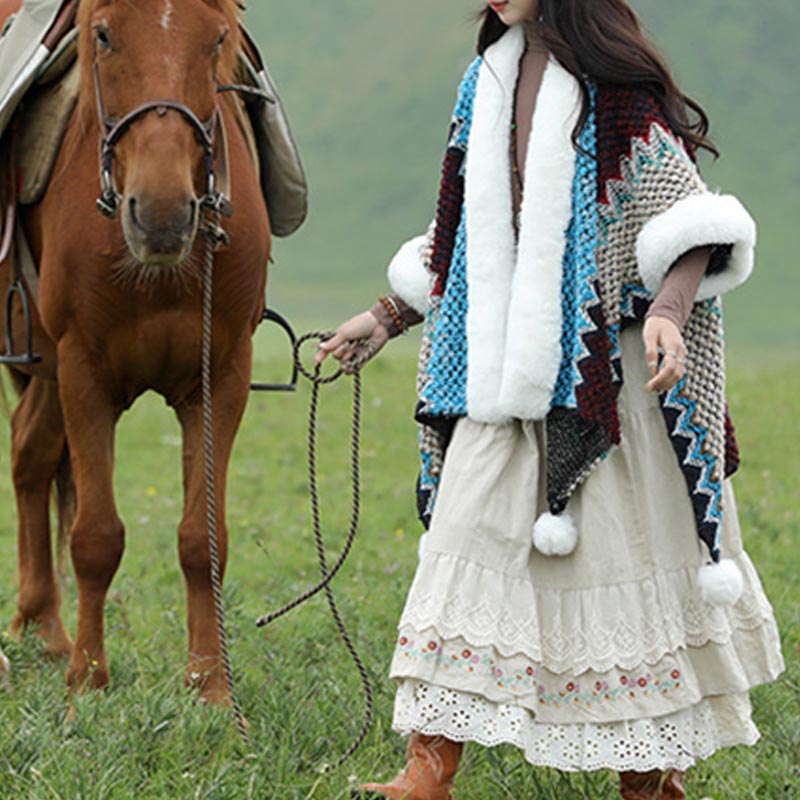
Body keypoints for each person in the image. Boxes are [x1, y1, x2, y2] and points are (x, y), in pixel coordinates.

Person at [318, 1, 784, 798]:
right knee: (460, 543)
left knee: (628, 565)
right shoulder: (485, 80)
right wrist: (388, 315)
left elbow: (687, 217)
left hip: (607, 375)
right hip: (497, 375)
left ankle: (649, 783)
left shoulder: (614, 87)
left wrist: (669, 313)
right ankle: (427, 774)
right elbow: (464, 229)